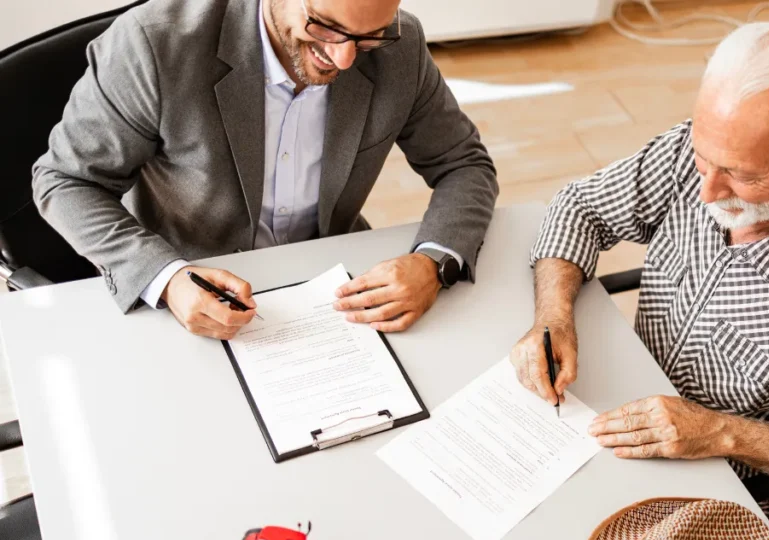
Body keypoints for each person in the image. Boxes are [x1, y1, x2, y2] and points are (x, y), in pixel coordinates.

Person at [510, 22, 769, 515]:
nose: (707, 194)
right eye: (704, 161)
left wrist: (719, 431)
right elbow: (581, 207)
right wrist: (553, 315)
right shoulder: (704, 150)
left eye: (743, 177)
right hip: (617, 388)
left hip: (710, 476)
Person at [33, 0, 497, 339]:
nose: (345, 59)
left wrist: (434, 261)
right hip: (191, 285)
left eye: (369, 36)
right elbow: (66, 181)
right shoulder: (153, 45)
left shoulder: (402, 47)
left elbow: (463, 162)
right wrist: (166, 278)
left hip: (332, 282)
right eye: (326, 27)